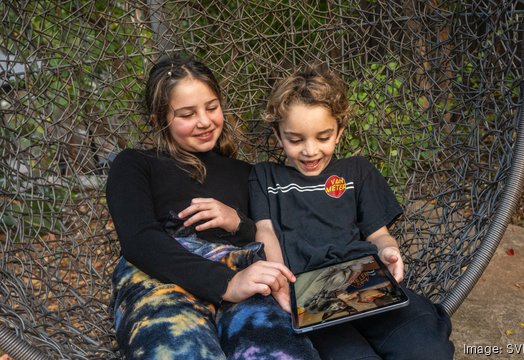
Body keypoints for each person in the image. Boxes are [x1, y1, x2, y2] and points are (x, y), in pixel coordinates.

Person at [106, 55, 320, 359]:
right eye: (187, 114)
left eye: (211, 107)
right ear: (158, 120)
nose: (205, 121)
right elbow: (139, 241)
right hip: (161, 278)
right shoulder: (136, 164)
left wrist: (238, 223)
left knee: (279, 350)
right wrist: (226, 283)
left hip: (245, 275)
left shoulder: (247, 173)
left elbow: (274, 235)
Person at [249, 65, 455, 360]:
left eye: (323, 137)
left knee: (427, 347)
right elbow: (265, 231)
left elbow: (379, 234)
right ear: (277, 135)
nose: (310, 151)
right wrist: (280, 280)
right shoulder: (265, 177)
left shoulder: (357, 171)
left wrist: (389, 251)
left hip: (365, 279)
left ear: (339, 132)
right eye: (295, 140)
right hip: (309, 292)